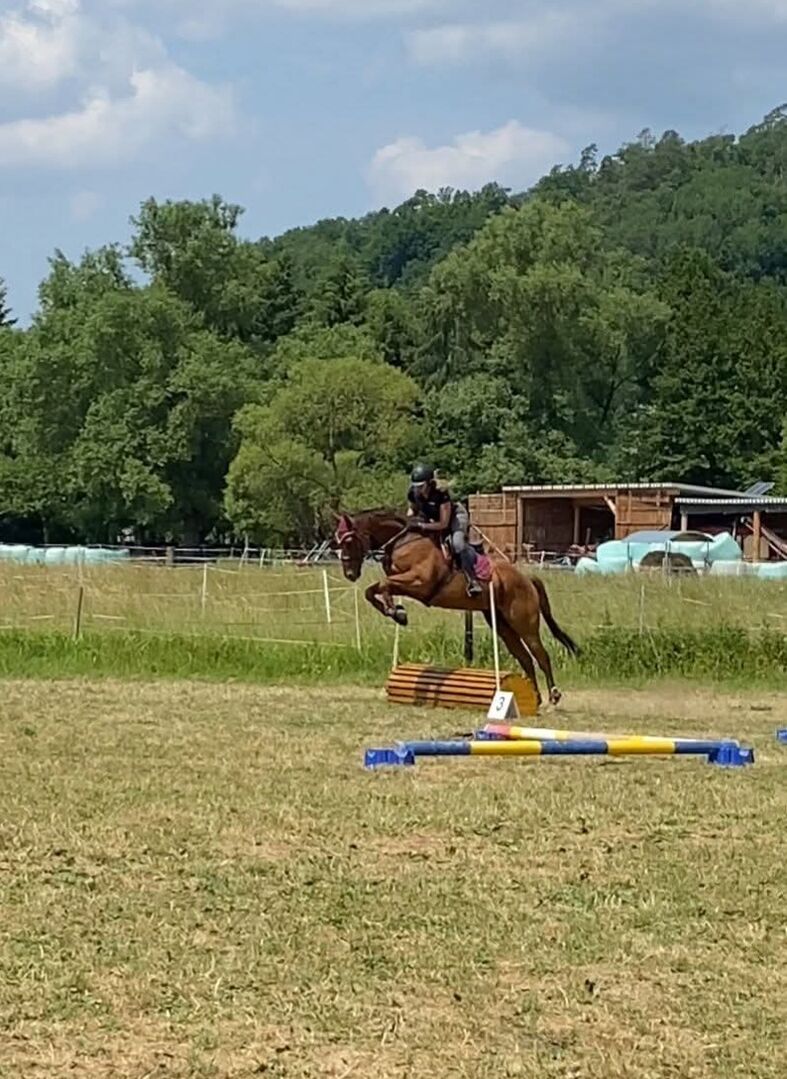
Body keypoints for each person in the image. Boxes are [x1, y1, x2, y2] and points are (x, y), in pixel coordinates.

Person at [406, 463, 482, 596]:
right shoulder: (413, 493)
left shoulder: (441, 494)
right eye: (415, 486)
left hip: (454, 518)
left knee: (457, 544)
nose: (417, 490)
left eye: (421, 486)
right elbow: (412, 509)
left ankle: (472, 580)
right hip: (431, 519)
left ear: (429, 483)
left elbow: (443, 524)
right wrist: (408, 520)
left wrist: (422, 526)